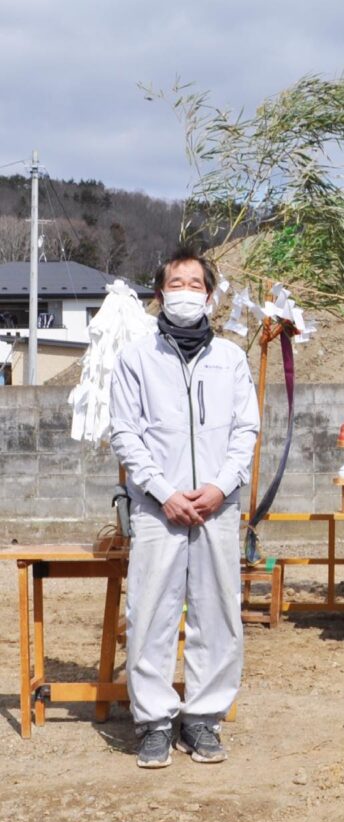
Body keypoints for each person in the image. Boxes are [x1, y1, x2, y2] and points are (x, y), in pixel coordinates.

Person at [110, 247, 259, 768]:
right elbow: (125, 433)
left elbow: (246, 431)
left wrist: (220, 486)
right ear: (159, 294)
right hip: (158, 509)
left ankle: (202, 720)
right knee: (150, 612)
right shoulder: (135, 358)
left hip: (218, 507)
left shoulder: (232, 359)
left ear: (211, 298)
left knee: (218, 613)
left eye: (196, 284)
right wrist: (162, 491)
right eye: (177, 283)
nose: (186, 292)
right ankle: (153, 722)